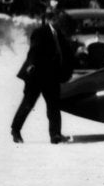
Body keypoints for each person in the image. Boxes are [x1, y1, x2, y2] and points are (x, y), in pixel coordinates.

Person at [10, 8, 75, 143]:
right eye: (62, 24)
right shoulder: (40, 32)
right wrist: (32, 65)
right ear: (55, 21)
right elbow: (34, 51)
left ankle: (55, 135)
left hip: (51, 76)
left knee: (54, 105)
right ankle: (15, 130)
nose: (63, 27)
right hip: (36, 75)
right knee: (28, 104)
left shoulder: (60, 35)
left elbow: (66, 54)